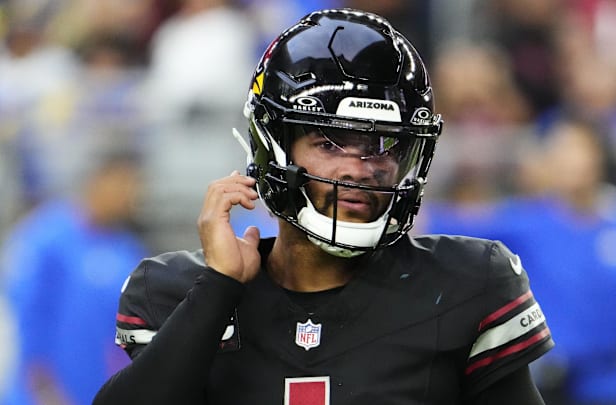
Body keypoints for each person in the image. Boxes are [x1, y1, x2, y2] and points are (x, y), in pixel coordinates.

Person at [93, 9, 554, 405]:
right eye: (330, 141)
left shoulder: (465, 285)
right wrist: (216, 291)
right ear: (274, 145)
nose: (360, 168)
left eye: (383, 144)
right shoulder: (175, 291)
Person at [422, 116, 616, 404]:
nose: (570, 160)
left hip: (612, 388)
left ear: (598, 155)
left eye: (577, 148)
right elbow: (446, 223)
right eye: (560, 150)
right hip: (544, 385)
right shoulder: (525, 222)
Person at [1, 146, 148, 405]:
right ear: (99, 179)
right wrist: (43, 389)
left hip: (96, 392)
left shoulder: (128, 250)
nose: (131, 194)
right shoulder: (45, 239)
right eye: (124, 182)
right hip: (41, 395)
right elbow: (24, 318)